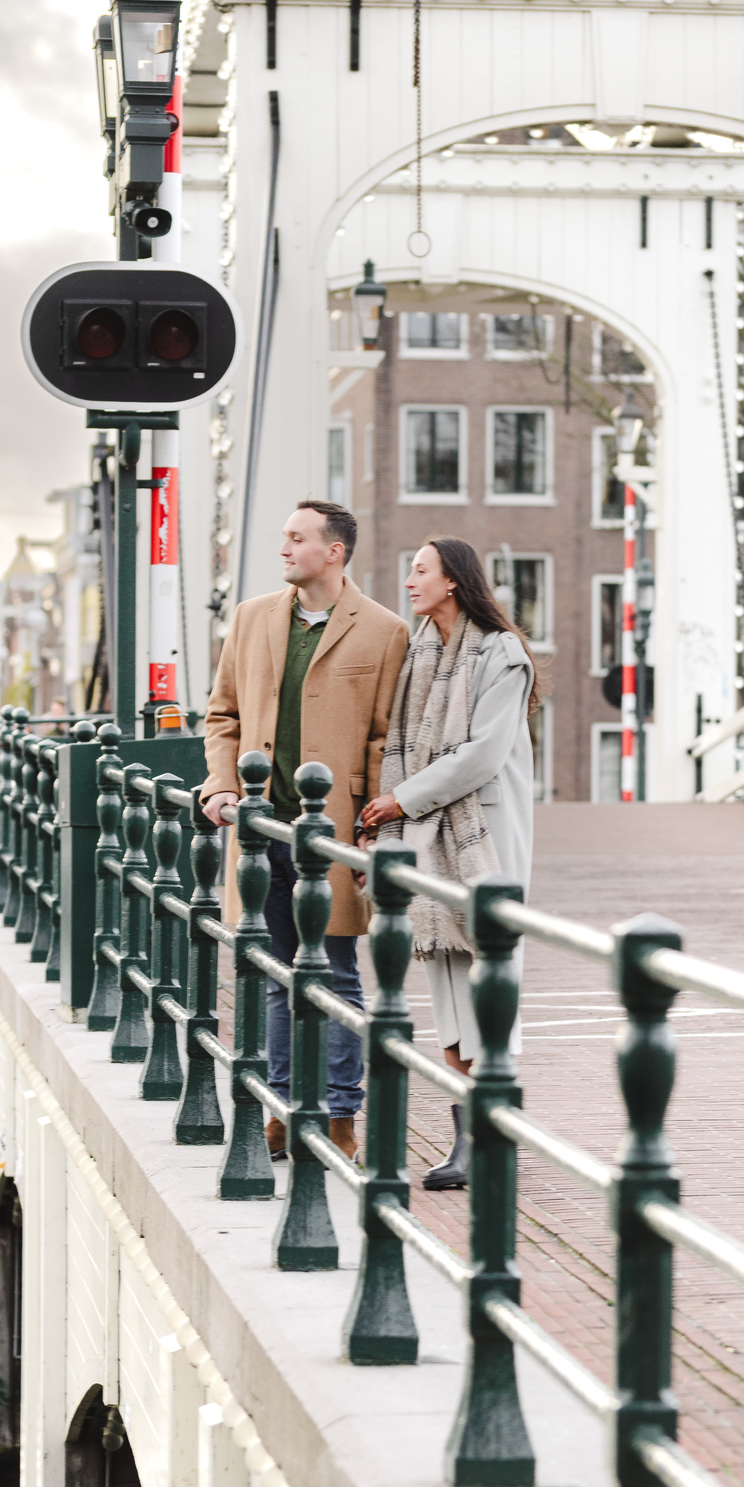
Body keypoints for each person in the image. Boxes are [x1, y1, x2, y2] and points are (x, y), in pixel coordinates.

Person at [201, 501, 409, 1160]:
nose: (284, 548)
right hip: (262, 832)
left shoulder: (383, 631)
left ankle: (342, 1113)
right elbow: (223, 715)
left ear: (335, 551)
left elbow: (384, 738)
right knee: (270, 974)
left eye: (297, 538)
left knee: (338, 971)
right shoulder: (252, 618)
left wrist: (373, 830)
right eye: (284, 536)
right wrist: (221, 784)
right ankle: (285, 1108)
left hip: (335, 836)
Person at [360, 536, 538, 1191]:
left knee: (489, 980)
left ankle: (490, 1137)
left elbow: (484, 755)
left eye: (420, 570)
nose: (409, 581)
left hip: (482, 838)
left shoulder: (503, 656)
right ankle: (467, 1134)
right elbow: (403, 744)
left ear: (453, 582)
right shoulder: (420, 655)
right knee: (445, 983)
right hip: (431, 836)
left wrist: (398, 801)